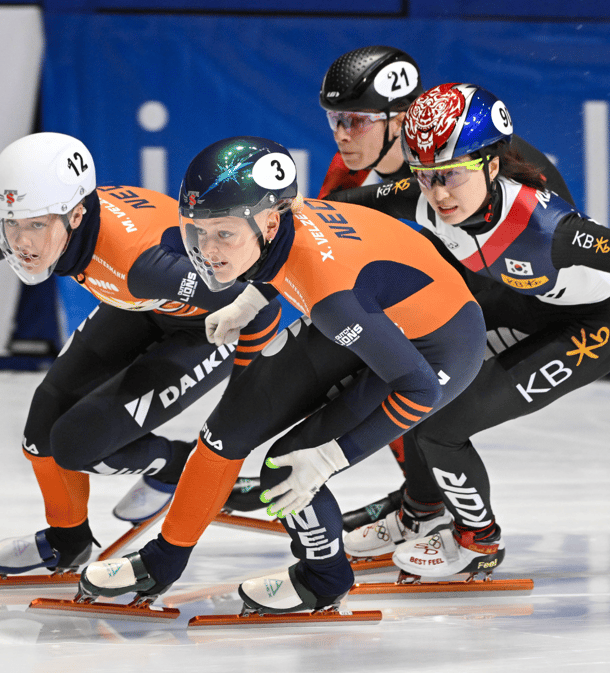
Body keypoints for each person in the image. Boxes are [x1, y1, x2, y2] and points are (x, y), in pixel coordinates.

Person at [0, 132, 280, 575]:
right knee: (41, 428)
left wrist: (239, 402)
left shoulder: (140, 264)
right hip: (138, 307)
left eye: (35, 225)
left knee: (77, 446)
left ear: (76, 215)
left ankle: (174, 464)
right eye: (12, 223)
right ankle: (69, 542)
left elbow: (261, 299)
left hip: (201, 330)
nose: (22, 242)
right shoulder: (45, 213)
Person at [76, 136, 486, 615]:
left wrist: (331, 458)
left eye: (224, 234)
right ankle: (160, 562)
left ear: (269, 222)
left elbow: (419, 387)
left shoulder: (332, 298)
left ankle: (324, 579)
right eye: (197, 233)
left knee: (289, 465)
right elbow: (281, 261)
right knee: (226, 429)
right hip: (375, 314)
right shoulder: (281, 226)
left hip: (437, 348)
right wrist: (249, 300)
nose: (208, 251)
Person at [325, 83, 610, 578]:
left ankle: (478, 541)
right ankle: (420, 512)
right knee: (417, 381)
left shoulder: (548, 227)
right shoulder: (428, 198)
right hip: (529, 303)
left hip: (596, 326)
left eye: (452, 177)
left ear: (490, 164)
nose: (439, 195)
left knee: (443, 427)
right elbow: (353, 201)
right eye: (425, 177)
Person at [316, 45, 573, 206]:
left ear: (399, 121)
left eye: (356, 121)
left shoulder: (459, 150)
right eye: (335, 120)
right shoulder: (350, 162)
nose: (341, 135)